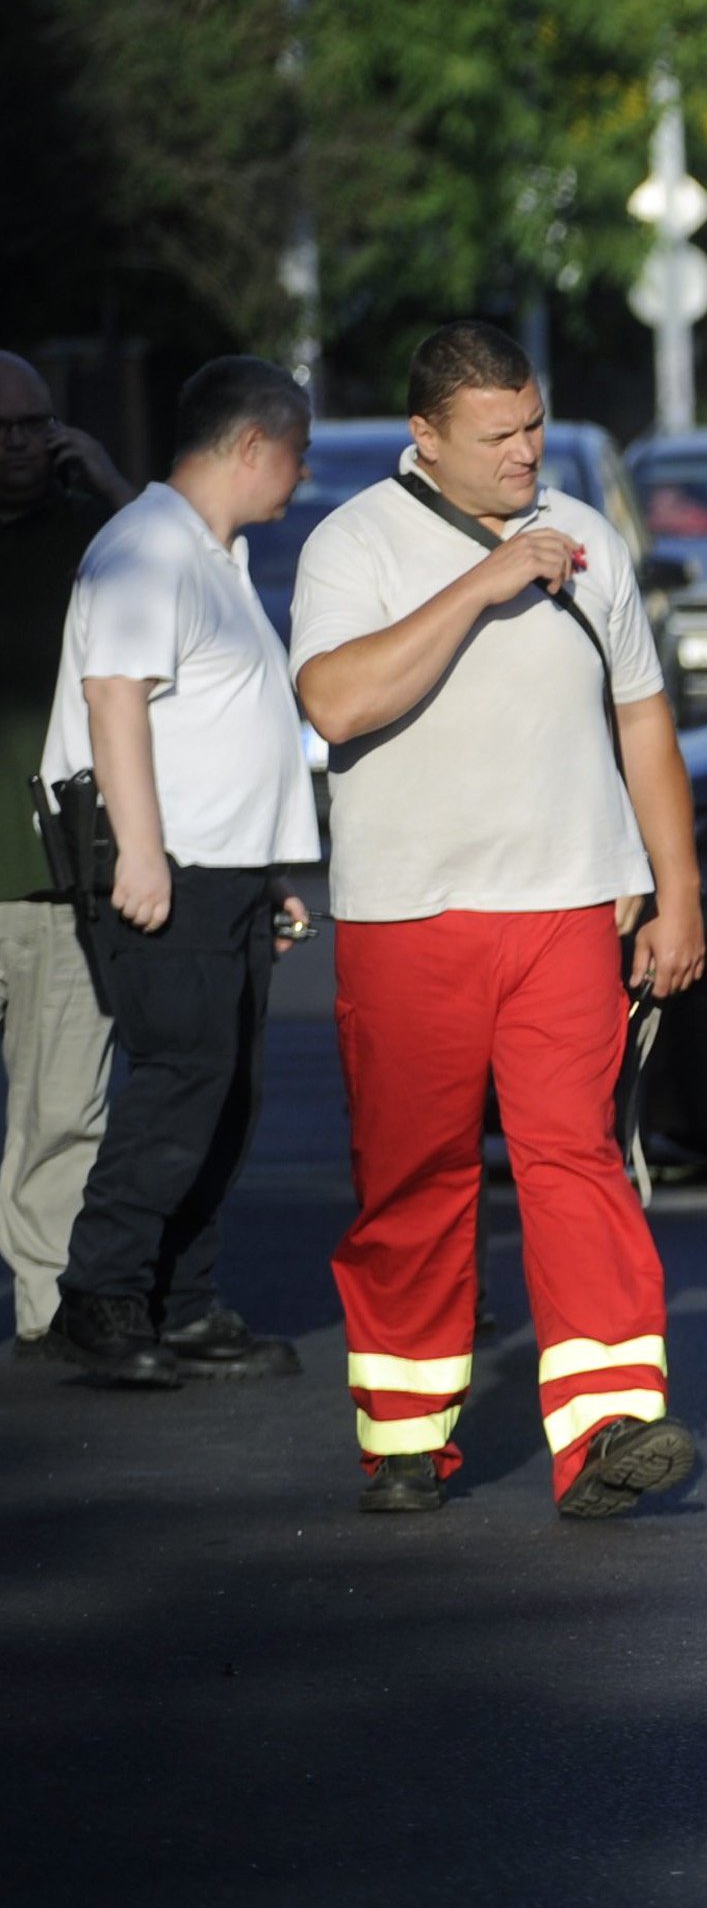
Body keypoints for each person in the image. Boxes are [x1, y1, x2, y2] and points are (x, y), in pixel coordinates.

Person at [290, 323, 706, 1519]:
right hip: (406, 913)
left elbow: (643, 723)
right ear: (426, 438)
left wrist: (675, 892)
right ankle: (406, 1432)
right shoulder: (352, 544)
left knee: (574, 1161)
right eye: (499, 436)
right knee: (413, 1175)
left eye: (533, 424)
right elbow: (335, 702)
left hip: (566, 907)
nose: (527, 452)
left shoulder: (591, 545)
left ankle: (609, 1431)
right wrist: (481, 581)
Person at [36, 356, 320, 1387]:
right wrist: (144, 852)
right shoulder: (150, 550)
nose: (300, 476)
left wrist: (265, 871)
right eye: (295, 453)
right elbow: (115, 699)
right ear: (250, 446)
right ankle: (101, 1299)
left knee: (225, 1096)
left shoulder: (206, 554)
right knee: (176, 1085)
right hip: (167, 872)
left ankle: (183, 1301)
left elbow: (215, 726)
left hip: (222, 871)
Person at [1, 351, 135, 1361]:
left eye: (34, 425)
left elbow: (199, 593)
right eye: (1, 430)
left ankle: (46, 1314)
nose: (19, 447)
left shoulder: (101, 541)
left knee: (61, 1113)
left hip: (54, 877)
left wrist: (117, 491)